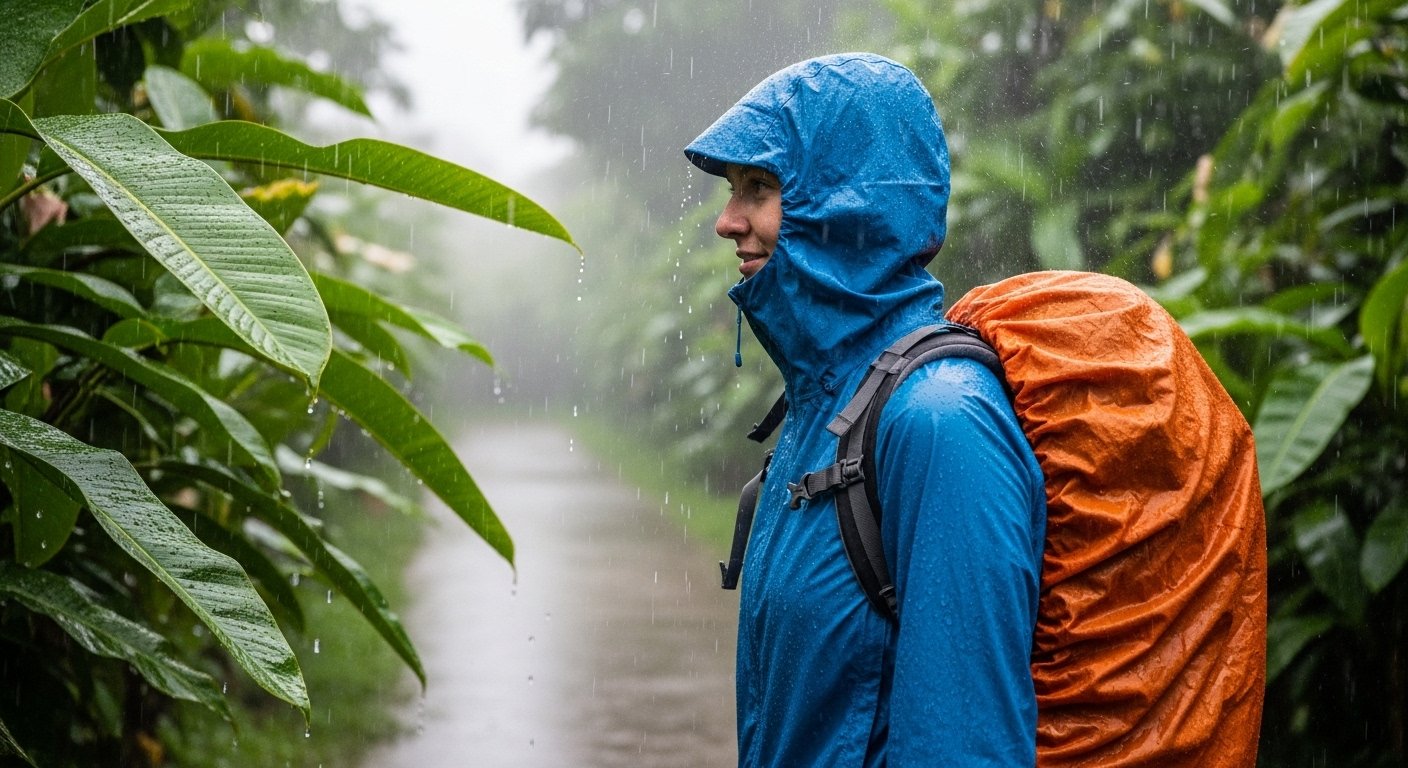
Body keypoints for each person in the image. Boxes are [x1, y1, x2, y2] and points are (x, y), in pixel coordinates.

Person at [684, 53, 1047, 765]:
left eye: (758, 188)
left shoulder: (940, 421)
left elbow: (962, 745)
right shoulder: (825, 404)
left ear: (848, 204)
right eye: (732, 190)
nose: (727, 221)